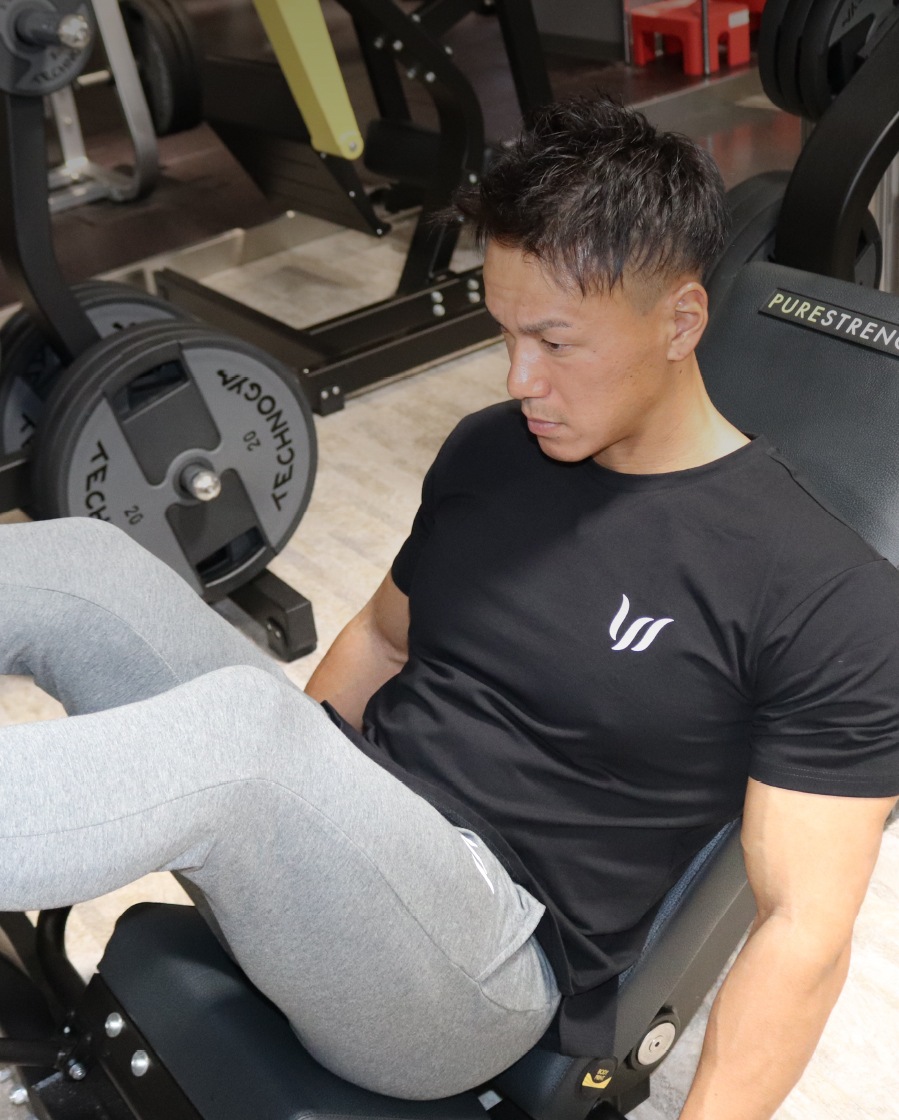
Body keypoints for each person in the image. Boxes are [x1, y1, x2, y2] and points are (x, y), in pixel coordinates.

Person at [0, 95, 897, 1120]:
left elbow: (801, 931)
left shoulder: (822, 591)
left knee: (243, 741)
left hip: (481, 968)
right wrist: (299, 835)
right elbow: (382, 641)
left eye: (555, 343)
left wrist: (269, 779)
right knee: (88, 569)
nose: (520, 379)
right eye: (505, 333)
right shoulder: (491, 449)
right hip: (364, 858)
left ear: (680, 321)